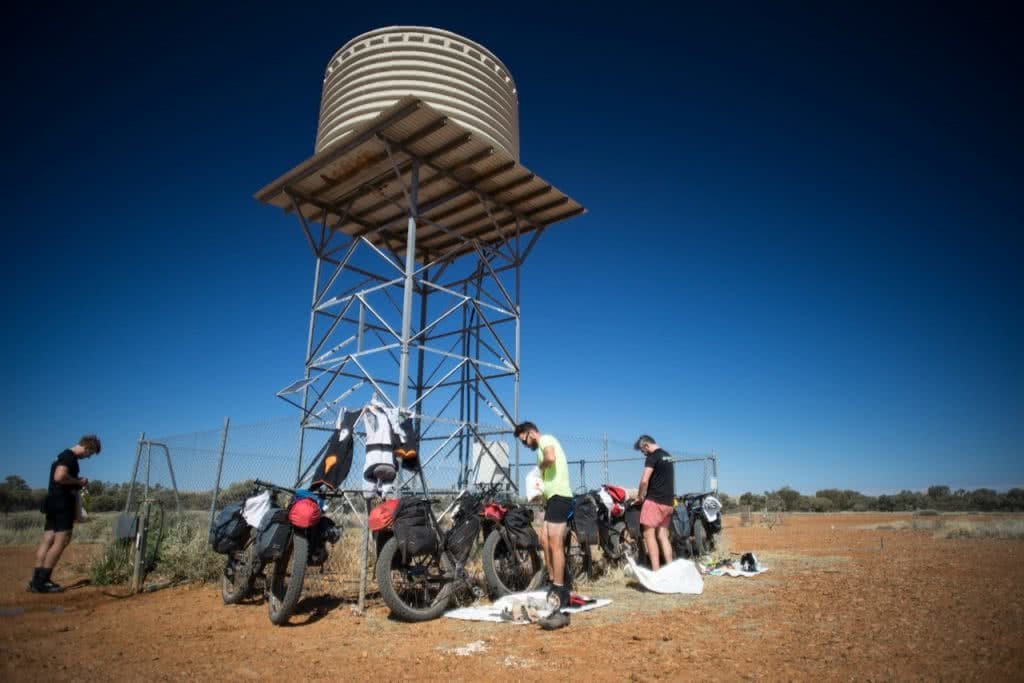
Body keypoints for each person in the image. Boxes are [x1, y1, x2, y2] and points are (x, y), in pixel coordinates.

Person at [514, 421, 572, 629]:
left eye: (524, 440)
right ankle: (551, 580)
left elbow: (550, 458)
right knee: (545, 540)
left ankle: (559, 589)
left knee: (555, 543)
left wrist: (538, 470)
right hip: (552, 499)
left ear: (530, 432)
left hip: (560, 496)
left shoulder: (546, 440)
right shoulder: (539, 447)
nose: (525, 444)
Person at [28, 435, 101, 593]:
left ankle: (36, 580)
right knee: (62, 540)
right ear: (88, 447)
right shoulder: (70, 458)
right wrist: (78, 482)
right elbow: (60, 476)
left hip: (52, 501)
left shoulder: (61, 455)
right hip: (62, 502)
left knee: (48, 539)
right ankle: (42, 581)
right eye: (90, 453)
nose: (88, 457)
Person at [634, 434, 675, 571]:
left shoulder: (652, 457)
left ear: (646, 445)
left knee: (648, 535)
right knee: (663, 536)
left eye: (642, 450)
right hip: (668, 503)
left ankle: (656, 572)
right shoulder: (668, 456)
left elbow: (644, 480)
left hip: (654, 501)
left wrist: (640, 496)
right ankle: (670, 569)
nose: (643, 454)